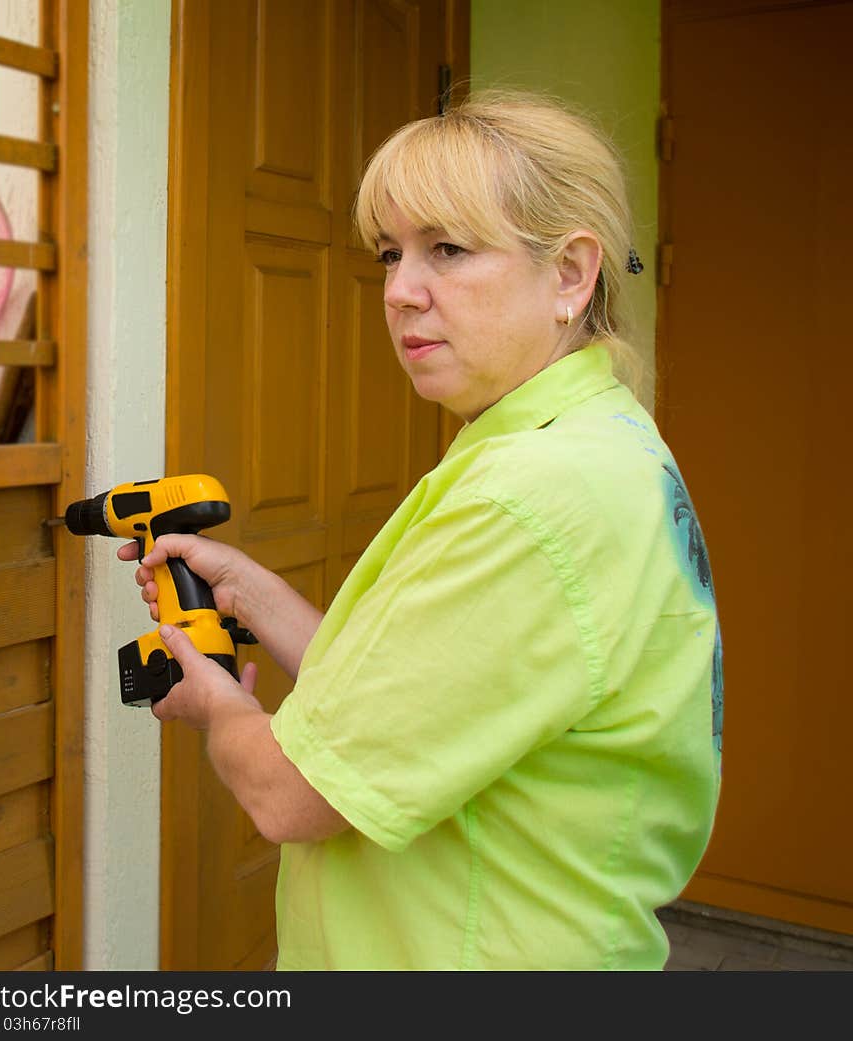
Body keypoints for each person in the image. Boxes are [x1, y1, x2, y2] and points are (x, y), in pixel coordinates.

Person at [119, 91, 723, 971]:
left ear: (570, 274)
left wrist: (218, 700)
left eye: (448, 248)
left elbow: (294, 792)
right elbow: (414, 698)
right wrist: (246, 589)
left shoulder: (533, 498)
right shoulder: (584, 439)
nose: (401, 291)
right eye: (391, 254)